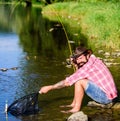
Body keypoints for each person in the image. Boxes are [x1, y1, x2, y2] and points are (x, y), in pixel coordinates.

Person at [39, 46, 118, 113]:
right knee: (79, 79)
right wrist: (77, 66)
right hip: (110, 94)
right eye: (77, 59)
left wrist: (50, 87)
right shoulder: (93, 59)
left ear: (87, 55)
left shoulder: (86, 68)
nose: (79, 61)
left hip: (107, 98)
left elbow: (67, 82)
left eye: (81, 58)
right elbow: (78, 74)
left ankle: (76, 108)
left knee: (80, 81)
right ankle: (74, 104)